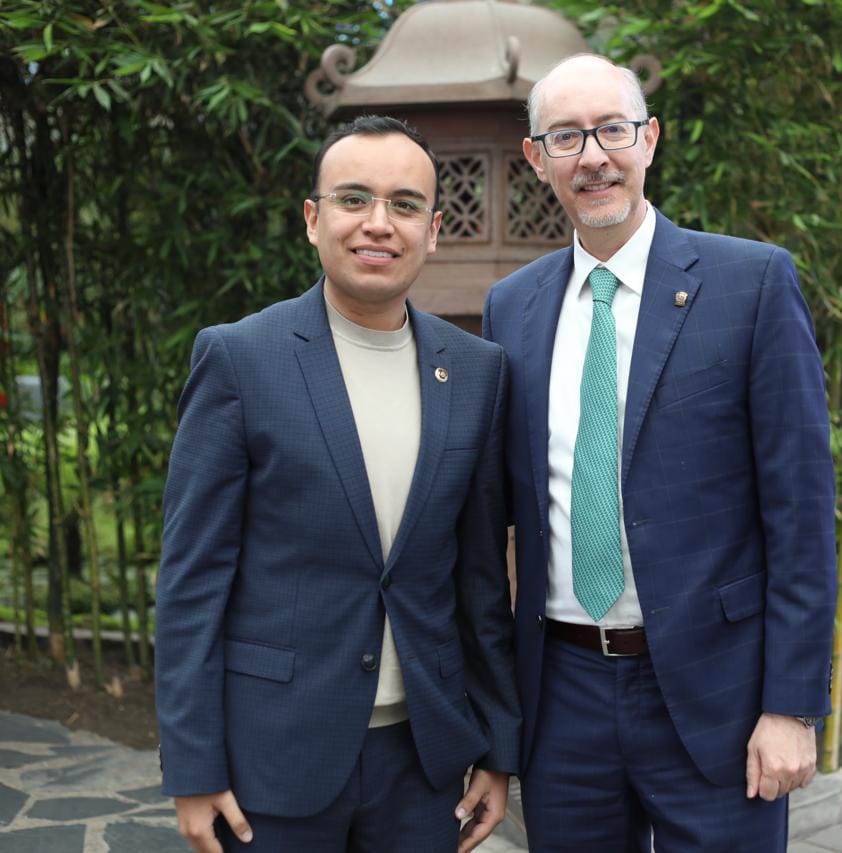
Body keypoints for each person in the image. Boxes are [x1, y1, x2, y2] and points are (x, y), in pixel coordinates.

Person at [482, 55, 836, 851]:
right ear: (538, 159)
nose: (594, 156)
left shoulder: (750, 284)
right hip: (563, 691)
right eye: (567, 137)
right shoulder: (514, 308)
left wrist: (791, 706)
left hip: (719, 693)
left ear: (650, 140)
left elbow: (802, 514)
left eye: (612, 129)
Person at [155, 115, 520, 853]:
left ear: (435, 228)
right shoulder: (240, 358)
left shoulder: (478, 371)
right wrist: (192, 768)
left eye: (405, 204)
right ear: (314, 220)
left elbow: (480, 581)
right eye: (354, 200)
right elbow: (191, 581)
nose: (378, 223)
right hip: (273, 754)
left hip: (423, 758)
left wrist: (497, 747)